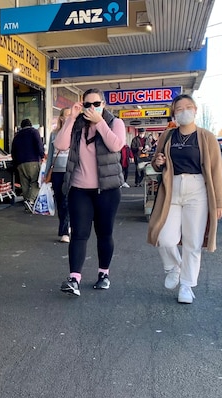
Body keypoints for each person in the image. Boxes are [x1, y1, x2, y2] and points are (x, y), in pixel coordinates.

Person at [146, 94, 222, 304]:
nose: (184, 111)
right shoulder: (168, 136)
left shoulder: (206, 137)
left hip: (197, 190)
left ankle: (187, 285)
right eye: (179, 109)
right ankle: (174, 266)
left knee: (193, 241)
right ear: (174, 113)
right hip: (171, 189)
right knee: (164, 236)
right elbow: (156, 163)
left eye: (188, 107)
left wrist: (219, 201)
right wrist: (159, 161)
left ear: (196, 110)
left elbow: (216, 170)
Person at [53, 89, 126, 296]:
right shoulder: (77, 124)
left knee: (104, 233)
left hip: (107, 189)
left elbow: (116, 145)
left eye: (96, 104)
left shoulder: (114, 123)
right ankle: (74, 278)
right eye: (87, 104)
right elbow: (60, 145)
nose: (92, 108)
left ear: (103, 103)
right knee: (79, 234)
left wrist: (99, 122)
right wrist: (71, 118)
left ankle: (104, 274)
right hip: (79, 189)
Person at [45, 108, 71, 242]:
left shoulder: (75, 133)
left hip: (71, 172)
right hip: (56, 172)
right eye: (67, 115)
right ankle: (65, 226)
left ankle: (65, 231)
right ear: (61, 118)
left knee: (67, 201)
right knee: (60, 202)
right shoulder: (54, 134)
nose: (69, 117)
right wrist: (46, 173)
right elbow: (50, 155)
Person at [10, 118, 45, 211]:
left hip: (20, 164)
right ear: (31, 124)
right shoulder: (34, 132)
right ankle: (30, 201)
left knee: (24, 184)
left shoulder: (17, 136)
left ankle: (27, 203)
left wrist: (16, 163)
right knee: (36, 181)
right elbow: (39, 145)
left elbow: (13, 151)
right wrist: (43, 156)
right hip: (32, 160)